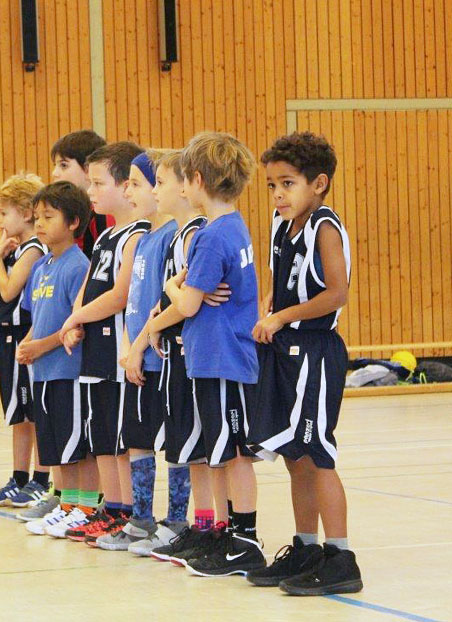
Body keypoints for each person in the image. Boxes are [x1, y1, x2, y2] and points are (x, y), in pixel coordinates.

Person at [245, 132, 363, 595]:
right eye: (272, 185)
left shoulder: (325, 228)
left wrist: (282, 316)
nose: (278, 194)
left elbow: (336, 294)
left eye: (287, 184)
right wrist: (269, 305)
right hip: (286, 350)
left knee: (317, 453)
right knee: (294, 455)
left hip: (316, 350)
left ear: (318, 183)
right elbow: (280, 280)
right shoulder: (282, 226)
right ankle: (306, 546)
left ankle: (341, 557)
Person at [163, 132, 268, 577]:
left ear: (199, 180)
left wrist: (173, 285)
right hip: (215, 357)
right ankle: (226, 532)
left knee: (236, 453)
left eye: (185, 178)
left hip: (224, 358)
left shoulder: (211, 237)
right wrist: (191, 287)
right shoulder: (234, 226)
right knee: (221, 451)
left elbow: (187, 304)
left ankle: (245, 539)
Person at [123, 149, 213, 557]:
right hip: (162, 353)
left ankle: (192, 524)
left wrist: (148, 336)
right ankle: (173, 523)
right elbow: (161, 299)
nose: (155, 191)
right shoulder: (166, 237)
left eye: (158, 182)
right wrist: (140, 340)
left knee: (194, 448)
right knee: (177, 443)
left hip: (184, 357)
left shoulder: (193, 233)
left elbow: (186, 298)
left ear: (187, 184)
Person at [57, 142, 148, 543]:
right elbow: (90, 285)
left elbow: (120, 294)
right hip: (95, 348)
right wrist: (74, 317)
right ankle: (111, 508)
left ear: (126, 186)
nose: (90, 191)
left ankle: (127, 511)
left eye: (98, 183)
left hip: (117, 349)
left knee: (119, 438)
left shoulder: (137, 235)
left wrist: (78, 316)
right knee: (101, 435)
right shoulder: (107, 234)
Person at [96, 150, 183, 551]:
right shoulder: (144, 239)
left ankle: (177, 521)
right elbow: (133, 302)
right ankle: (142, 519)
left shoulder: (173, 237)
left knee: (176, 442)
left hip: (160, 358)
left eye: (136, 184)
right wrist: (129, 347)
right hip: (137, 357)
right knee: (137, 439)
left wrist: (142, 343)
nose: (128, 192)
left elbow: (163, 305)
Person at [12, 182, 94, 536]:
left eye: (49, 217)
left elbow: (75, 324)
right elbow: (38, 316)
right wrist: (27, 342)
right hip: (43, 373)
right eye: (37, 217)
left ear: (73, 222)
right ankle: (66, 504)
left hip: (67, 371)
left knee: (76, 447)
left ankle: (83, 507)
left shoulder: (78, 266)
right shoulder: (41, 266)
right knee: (56, 446)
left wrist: (40, 347)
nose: (40, 223)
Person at [0, 173, 52, 508]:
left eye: (4, 213)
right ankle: (19, 477)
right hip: (7, 335)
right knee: (18, 414)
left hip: (27, 336)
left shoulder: (34, 249)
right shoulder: (12, 250)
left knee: (35, 413)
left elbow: (10, 291)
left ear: (26, 213)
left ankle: (40, 478)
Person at [50, 130, 111, 257]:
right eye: (55, 165)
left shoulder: (102, 214)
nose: (54, 173)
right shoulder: (66, 212)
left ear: (88, 169)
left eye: (63, 165)